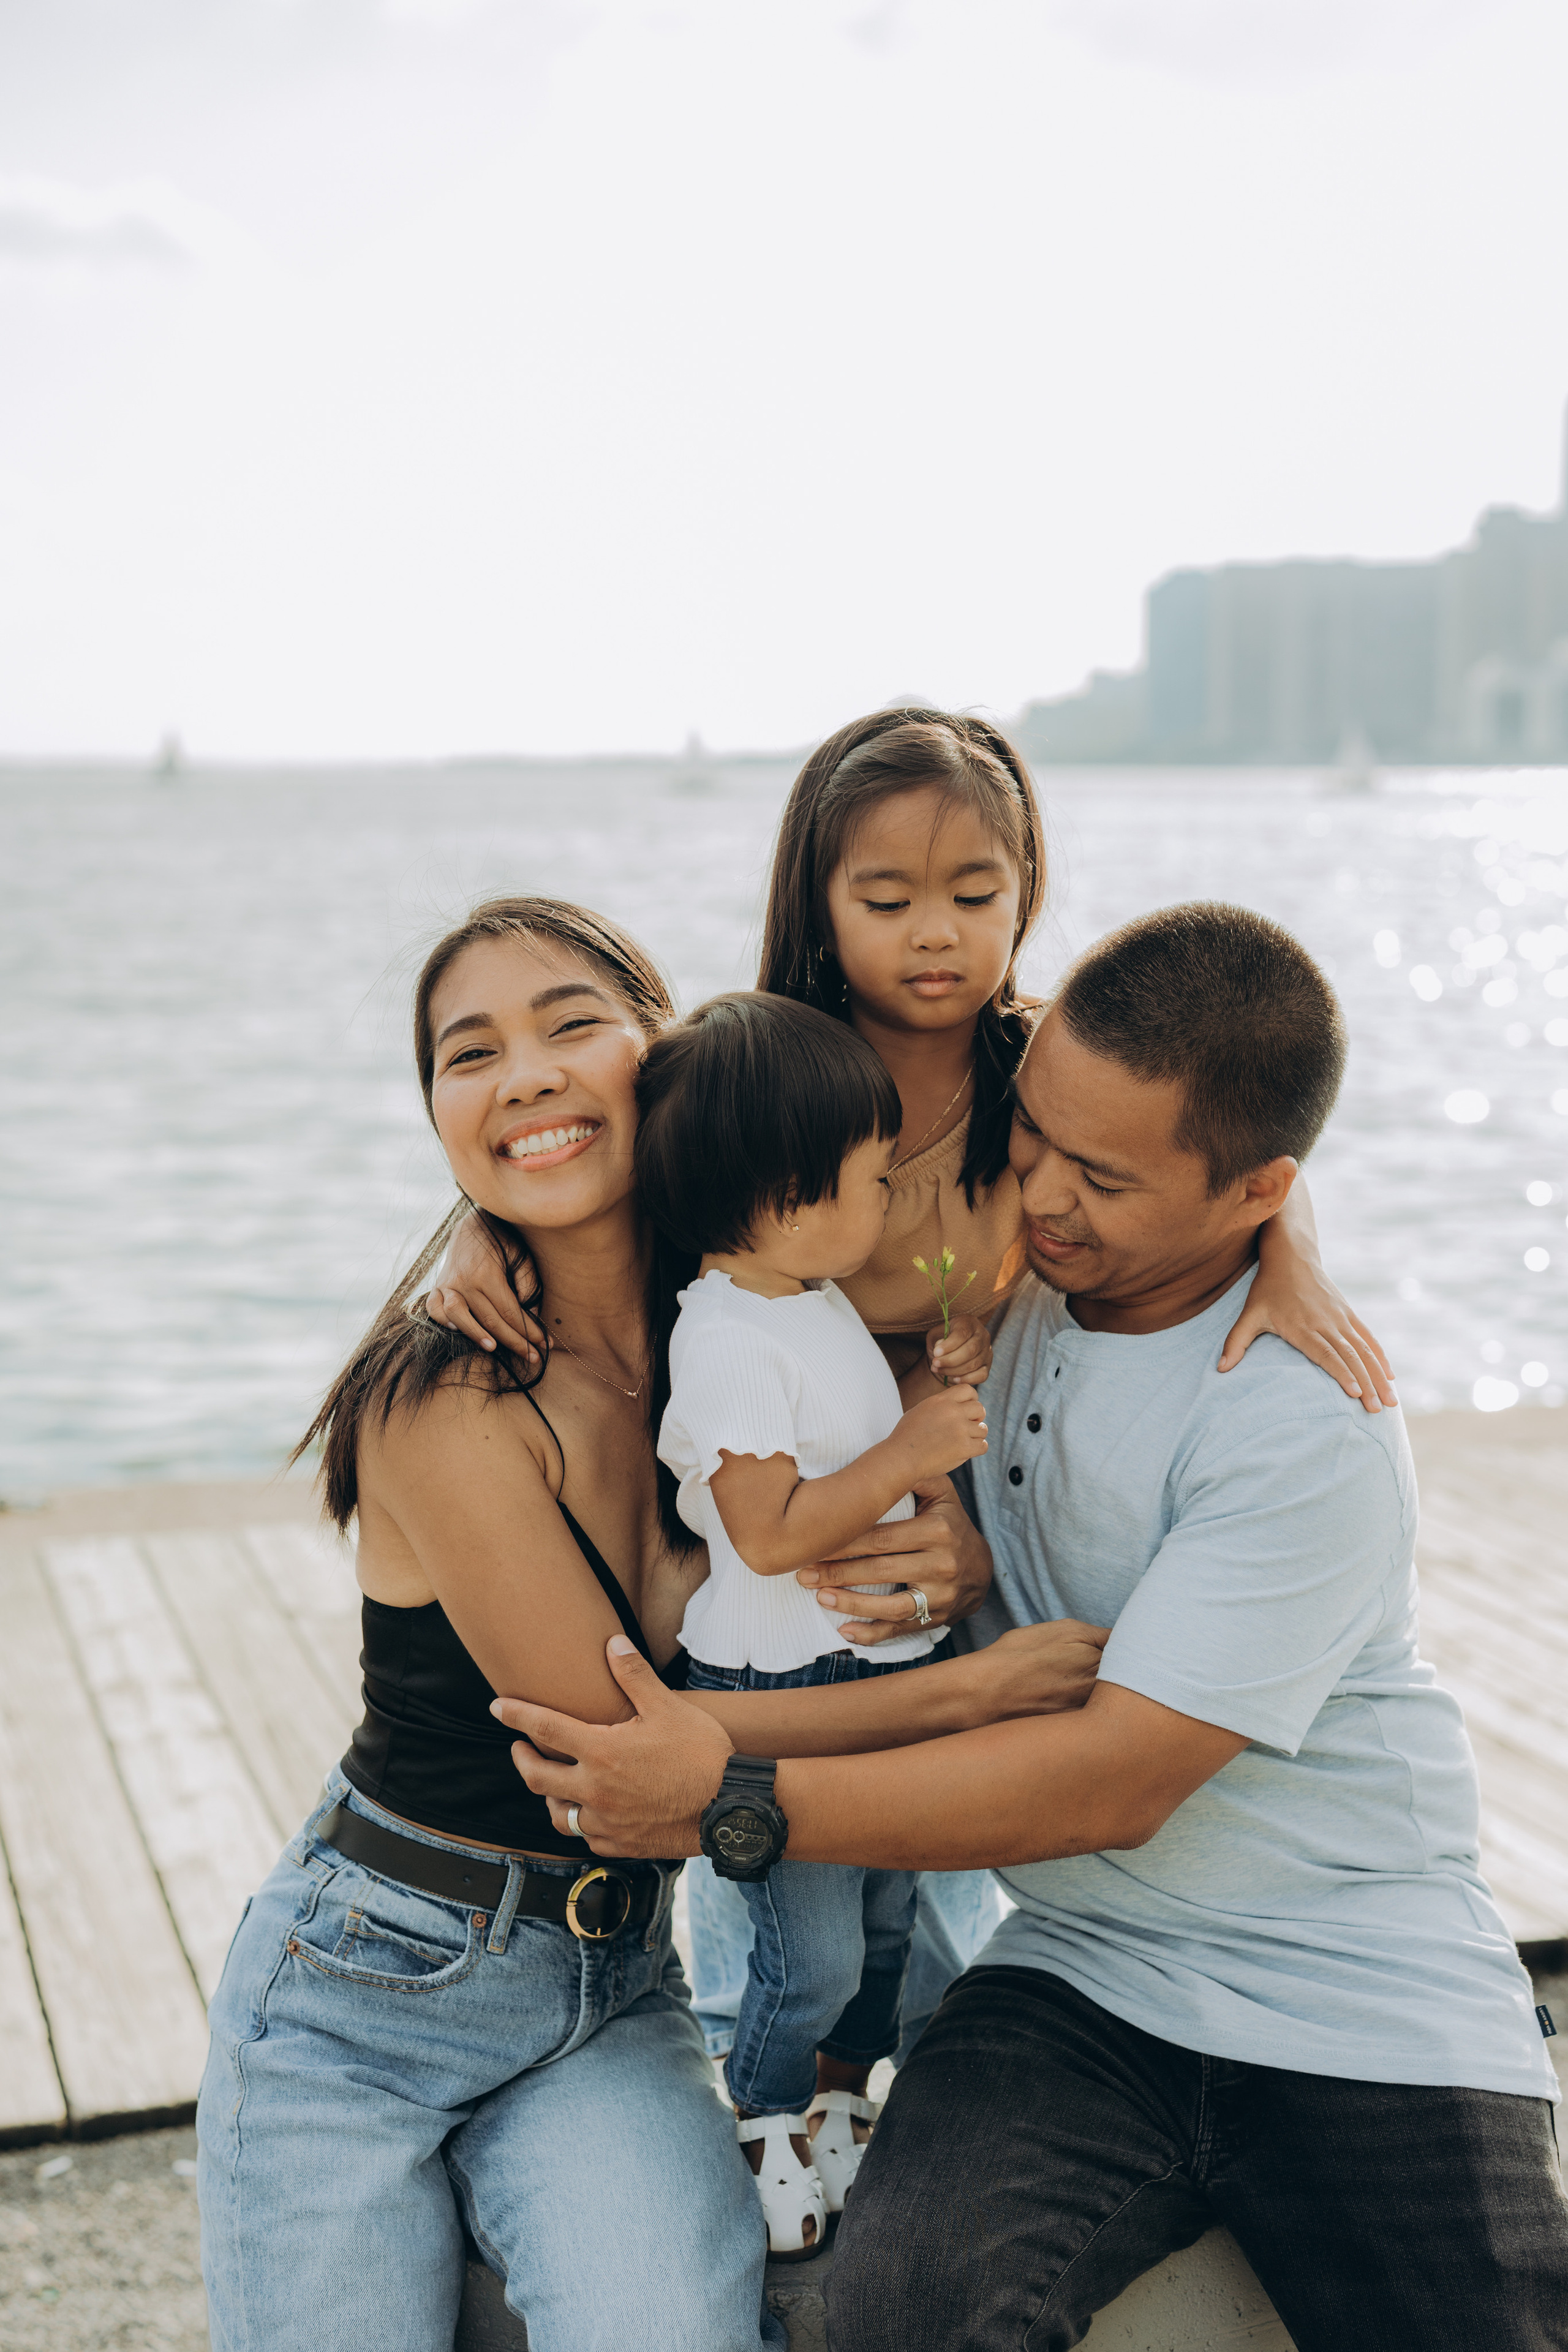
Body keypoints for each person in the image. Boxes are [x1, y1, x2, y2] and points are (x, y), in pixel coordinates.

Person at [491, 900, 1568, 2352]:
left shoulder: (1297, 1419)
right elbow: (722, 1152)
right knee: (900, 2317)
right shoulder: (1013, 1295)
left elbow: (1110, 1780)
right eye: (1032, 1137)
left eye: (1101, 1178)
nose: (1041, 1195)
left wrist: (725, 1805)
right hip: (1078, 1977)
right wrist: (477, 1248)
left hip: (1357, 1993)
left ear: (1257, 1192)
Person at [195, 895, 1106, 2352]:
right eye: (466, 1055)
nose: (524, 1076)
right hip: (367, 1997)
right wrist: (970, 1693)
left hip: (614, 1983)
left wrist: (932, 1557)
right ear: (441, 1117)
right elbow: (619, 1756)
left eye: (569, 1026)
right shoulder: (445, 1395)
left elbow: (1036, 1174)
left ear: (659, 1058)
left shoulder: (748, 1314)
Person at [431, 707, 1398, 2057]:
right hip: (780, 1517)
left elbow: (1210, 1145)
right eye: (885, 899)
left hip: (941, 1511)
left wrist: (1290, 1252)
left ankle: (891, 2081)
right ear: (821, 910)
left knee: (921, 1918)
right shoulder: (774, 1072)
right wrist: (473, 1233)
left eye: (974, 895)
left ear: (1027, 895)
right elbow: (575, 1146)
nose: (933, 933)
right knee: (791, 1932)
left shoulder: (1039, 1067)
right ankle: (775, 2100)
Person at [636, 991, 990, 2252]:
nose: (892, 1200)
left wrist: (914, 1386)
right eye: (871, 1178)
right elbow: (771, 1531)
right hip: (785, 1687)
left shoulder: (804, 1295)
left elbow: (832, 1438)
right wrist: (910, 1438)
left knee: (888, 1917)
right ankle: (760, 2111)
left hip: (869, 1663)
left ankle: (837, 2108)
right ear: (786, 1200)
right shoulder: (727, 1336)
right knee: (814, 1950)